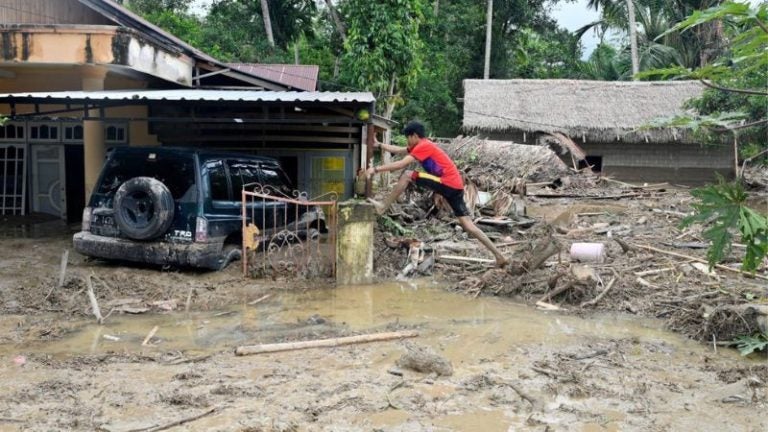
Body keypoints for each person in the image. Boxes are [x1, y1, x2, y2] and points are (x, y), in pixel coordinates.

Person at [366, 121, 508, 267]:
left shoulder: (423, 146)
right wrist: (380, 145)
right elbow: (400, 150)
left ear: (414, 135)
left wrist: (375, 169)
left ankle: (383, 206)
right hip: (456, 186)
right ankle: (499, 256)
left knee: (407, 174)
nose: (408, 141)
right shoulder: (422, 145)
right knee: (468, 225)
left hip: (447, 182)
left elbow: (401, 164)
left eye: (408, 138)